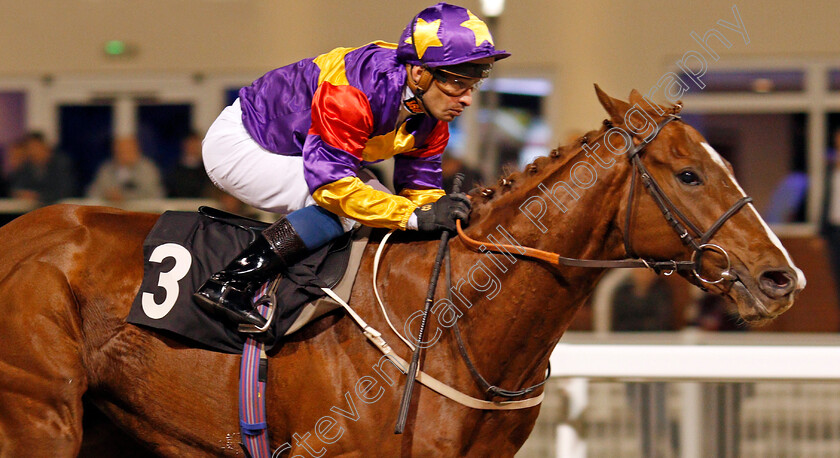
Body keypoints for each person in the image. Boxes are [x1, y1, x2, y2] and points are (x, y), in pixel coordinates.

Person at [196, 2, 509, 327]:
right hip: (244, 144)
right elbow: (332, 187)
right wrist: (412, 216)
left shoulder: (432, 110)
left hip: (302, 150)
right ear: (419, 72)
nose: (467, 98)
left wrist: (440, 213)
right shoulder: (353, 91)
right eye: (458, 83)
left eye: (475, 83)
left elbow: (419, 189)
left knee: (378, 200)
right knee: (346, 210)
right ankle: (230, 283)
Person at [86, 136, 165, 202]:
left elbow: (154, 194)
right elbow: (93, 192)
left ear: (136, 150)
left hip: (141, 213)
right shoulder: (106, 169)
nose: (123, 154)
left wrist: (125, 197)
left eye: (127, 150)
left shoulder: (147, 169)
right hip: (112, 214)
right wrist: (107, 195)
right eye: (120, 151)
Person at [9, 131, 77, 205]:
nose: (33, 152)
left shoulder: (61, 163)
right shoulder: (27, 166)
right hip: (32, 210)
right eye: (30, 148)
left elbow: (66, 191)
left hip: (60, 209)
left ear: (45, 147)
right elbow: (17, 188)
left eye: (36, 147)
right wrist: (22, 194)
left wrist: (38, 196)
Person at [164, 131, 214, 198]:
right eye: (190, 143)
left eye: (195, 143)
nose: (192, 146)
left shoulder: (208, 171)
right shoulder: (174, 171)